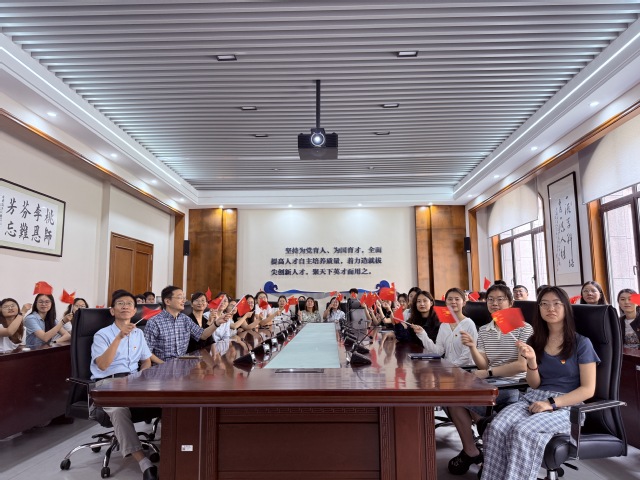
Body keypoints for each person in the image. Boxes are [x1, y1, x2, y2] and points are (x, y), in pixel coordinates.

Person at [480, 286, 599, 480]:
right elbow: (534, 384)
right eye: (544, 304)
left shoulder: (582, 343)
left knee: (522, 431)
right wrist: (532, 362)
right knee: (497, 427)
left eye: (556, 304)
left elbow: (588, 389)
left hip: (568, 407)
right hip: (534, 398)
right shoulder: (535, 341)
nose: (550, 308)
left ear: (566, 307)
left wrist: (550, 403)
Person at [447, 284, 533, 475]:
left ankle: (492, 455)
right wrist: (472, 348)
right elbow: (483, 364)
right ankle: (472, 451)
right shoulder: (485, 330)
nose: (495, 303)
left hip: (515, 385)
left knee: (473, 400)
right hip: (491, 382)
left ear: (511, 303)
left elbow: (521, 366)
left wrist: (489, 373)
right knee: (452, 397)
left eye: (500, 299)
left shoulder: (524, 328)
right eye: (491, 299)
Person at [90, 289, 158, 480]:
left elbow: (146, 360)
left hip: (134, 381)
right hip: (108, 382)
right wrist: (119, 337)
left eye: (129, 304)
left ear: (134, 310)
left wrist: (142, 376)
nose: (125, 306)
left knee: (168, 398)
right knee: (119, 410)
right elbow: (102, 365)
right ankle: (143, 462)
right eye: (120, 303)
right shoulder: (102, 335)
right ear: (112, 310)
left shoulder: (138, 333)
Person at [143, 286, 220, 362]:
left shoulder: (185, 319)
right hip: (162, 366)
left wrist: (217, 323)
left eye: (184, 298)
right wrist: (164, 365)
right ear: (167, 301)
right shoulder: (154, 322)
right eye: (180, 297)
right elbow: (146, 350)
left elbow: (202, 335)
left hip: (183, 365)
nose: (184, 301)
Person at [411, 288, 477, 366]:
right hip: (447, 369)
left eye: (457, 299)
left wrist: (449, 367)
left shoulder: (469, 324)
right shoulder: (444, 325)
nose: (453, 302)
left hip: (466, 369)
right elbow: (438, 351)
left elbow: (467, 357)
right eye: (450, 299)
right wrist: (422, 334)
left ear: (464, 303)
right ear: (446, 303)